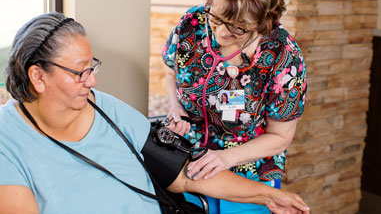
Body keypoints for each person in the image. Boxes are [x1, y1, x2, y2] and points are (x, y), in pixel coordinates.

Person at [0, 12, 310, 214]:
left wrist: (267, 196)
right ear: (38, 77)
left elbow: (185, 175)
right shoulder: (8, 143)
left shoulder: (106, 109)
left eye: (91, 67)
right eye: (79, 73)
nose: (92, 81)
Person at [162, 0, 307, 213]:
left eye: (237, 27)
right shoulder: (192, 24)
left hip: (247, 178)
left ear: (263, 20)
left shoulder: (282, 54)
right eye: (216, 19)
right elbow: (171, 73)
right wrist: (176, 108)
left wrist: (224, 158)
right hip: (188, 162)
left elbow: (280, 136)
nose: (220, 33)